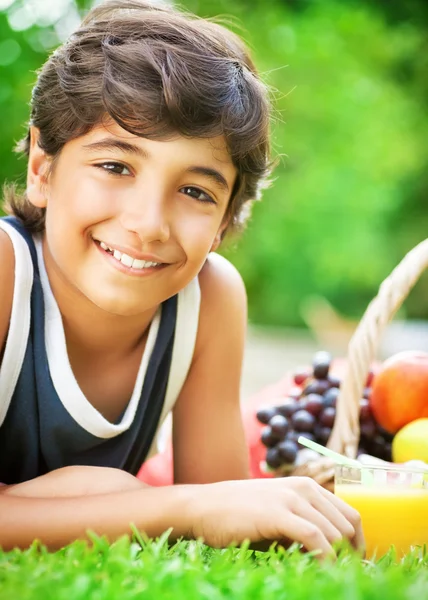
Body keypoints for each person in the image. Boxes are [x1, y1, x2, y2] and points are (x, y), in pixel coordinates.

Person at [0, 0, 363, 557]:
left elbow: (224, 513)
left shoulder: (209, 298)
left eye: (196, 191)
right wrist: (160, 504)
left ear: (222, 225)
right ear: (43, 171)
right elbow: (200, 506)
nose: (147, 225)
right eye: (116, 166)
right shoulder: (7, 271)